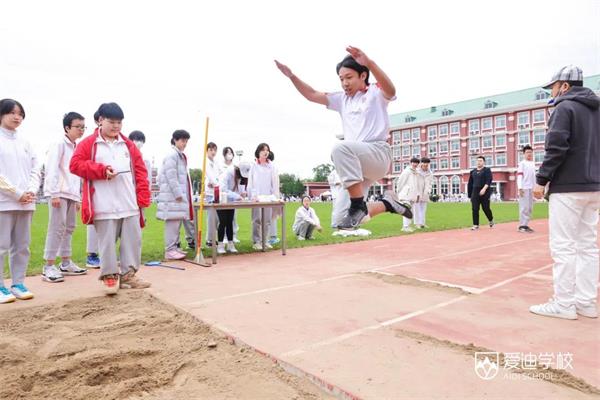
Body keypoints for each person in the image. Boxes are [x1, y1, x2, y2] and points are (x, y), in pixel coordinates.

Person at [275, 46, 412, 230]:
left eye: (349, 77)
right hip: (357, 165)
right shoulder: (342, 99)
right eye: (341, 79)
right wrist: (292, 76)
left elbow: (391, 89)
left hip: (378, 154)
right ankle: (388, 204)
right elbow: (312, 94)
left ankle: (357, 205)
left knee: (340, 148)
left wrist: (370, 63)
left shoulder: (375, 92)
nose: (344, 83)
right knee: (341, 222)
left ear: (363, 75)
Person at [529, 65, 600, 320]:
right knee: (588, 246)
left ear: (565, 86)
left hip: (568, 187)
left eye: (554, 87)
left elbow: (556, 146)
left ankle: (564, 303)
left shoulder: (565, 107)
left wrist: (541, 180)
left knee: (564, 246)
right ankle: (586, 302)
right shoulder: (596, 109)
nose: (553, 92)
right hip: (594, 186)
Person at [70, 102, 151, 295]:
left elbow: (140, 171)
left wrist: (142, 196)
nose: (116, 126)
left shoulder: (128, 144)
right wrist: (101, 170)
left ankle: (128, 275)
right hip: (103, 203)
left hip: (128, 201)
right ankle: (109, 276)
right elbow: (75, 165)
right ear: (100, 120)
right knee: (106, 242)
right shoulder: (89, 144)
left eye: (119, 123)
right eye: (112, 122)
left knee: (132, 240)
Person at [0, 99, 40, 303]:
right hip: (4, 203)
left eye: (20, 114)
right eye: (12, 113)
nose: (17, 117)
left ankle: (18, 283)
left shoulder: (26, 143)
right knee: (1, 245)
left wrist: (31, 191)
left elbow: (35, 169)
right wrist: (16, 193)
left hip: (26, 202)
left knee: (22, 245)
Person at [41, 112, 88, 283]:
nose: (81, 130)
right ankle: (48, 266)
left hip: (71, 194)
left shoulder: (77, 147)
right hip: (58, 193)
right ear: (67, 127)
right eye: (78, 127)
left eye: (83, 127)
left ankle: (65, 262)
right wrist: (53, 193)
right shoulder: (59, 144)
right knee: (56, 228)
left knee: (69, 228)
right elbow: (52, 168)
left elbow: (77, 174)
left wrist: (78, 197)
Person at [156, 130, 194, 260]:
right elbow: (171, 176)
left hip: (176, 196)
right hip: (173, 197)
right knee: (172, 223)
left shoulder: (179, 156)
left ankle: (174, 248)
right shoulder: (172, 155)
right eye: (183, 141)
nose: (185, 144)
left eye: (186, 141)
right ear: (175, 140)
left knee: (176, 221)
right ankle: (170, 249)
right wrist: (178, 193)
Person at [247, 143, 279, 250]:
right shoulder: (254, 166)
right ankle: (256, 241)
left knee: (267, 220)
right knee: (256, 220)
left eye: (267, 150)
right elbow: (250, 183)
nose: (266, 152)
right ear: (258, 152)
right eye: (263, 150)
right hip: (257, 197)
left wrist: (275, 196)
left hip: (268, 197)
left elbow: (275, 183)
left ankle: (265, 240)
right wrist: (252, 195)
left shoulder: (272, 166)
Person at [217, 164, 250, 253]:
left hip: (231, 202)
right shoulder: (227, 174)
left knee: (230, 222)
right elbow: (223, 189)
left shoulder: (240, 176)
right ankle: (220, 245)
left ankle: (230, 243)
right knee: (223, 222)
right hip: (221, 200)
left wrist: (243, 193)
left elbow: (240, 189)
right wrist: (236, 195)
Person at [86, 109, 102, 269]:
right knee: (93, 223)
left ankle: (104, 255)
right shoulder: (90, 142)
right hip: (93, 189)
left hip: (110, 191)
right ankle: (91, 255)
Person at [395, 157, 422, 233]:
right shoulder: (407, 171)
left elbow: (417, 185)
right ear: (411, 163)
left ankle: (407, 226)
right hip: (405, 194)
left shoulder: (416, 172)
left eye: (417, 163)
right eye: (414, 162)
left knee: (411, 211)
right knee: (407, 210)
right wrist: (399, 192)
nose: (415, 164)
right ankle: (405, 226)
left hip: (412, 195)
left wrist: (418, 195)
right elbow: (400, 182)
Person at [467, 156, 494, 230]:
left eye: (481, 161)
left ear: (484, 162)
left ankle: (491, 219)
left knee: (486, 208)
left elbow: (489, 180)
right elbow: (470, 183)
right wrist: (470, 195)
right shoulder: (472, 172)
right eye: (478, 161)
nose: (479, 162)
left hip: (485, 192)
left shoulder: (487, 170)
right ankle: (475, 225)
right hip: (475, 192)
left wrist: (484, 189)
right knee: (475, 208)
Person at [221, 146, 240, 244]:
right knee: (224, 219)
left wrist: (239, 194)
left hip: (233, 197)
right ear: (224, 155)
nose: (230, 154)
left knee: (233, 218)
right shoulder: (222, 167)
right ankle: (224, 237)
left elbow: (238, 184)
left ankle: (233, 236)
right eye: (227, 153)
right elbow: (223, 187)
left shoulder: (236, 167)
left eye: (231, 152)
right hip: (224, 197)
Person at [516, 145, 536, 233]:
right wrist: (520, 188)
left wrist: (535, 188)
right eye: (527, 152)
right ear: (523, 154)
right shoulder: (522, 163)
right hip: (524, 188)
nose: (529, 154)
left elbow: (534, 178)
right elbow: (519, 176)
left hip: (531, 188)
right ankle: (522, 226)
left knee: (530, 207)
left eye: (531, 152)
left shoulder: (532, 164)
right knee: (524, 207)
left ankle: (526, 224)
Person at [204, 142, 219, 247]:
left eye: (215, 150)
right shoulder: (205, 162)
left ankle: (213, 237)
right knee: (211, 217)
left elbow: (220, 175)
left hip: (217, 191)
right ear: (207, 150)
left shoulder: (216, 162)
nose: (213, 152)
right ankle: (209, 239)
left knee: (217, 218)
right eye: (211, 150)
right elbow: (210, 176)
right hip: (209, 193)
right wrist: (214, 183)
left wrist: (217, 184)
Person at [415, 157, 433, 229]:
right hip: (417, 192)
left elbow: (430, 183)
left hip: (425, 193)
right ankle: (417, 224)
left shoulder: (430, 173)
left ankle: (422, 223)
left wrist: (429, 190)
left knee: (423, 209)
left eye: (427, 163)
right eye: (424, 163)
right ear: (421, 163)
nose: (425, 164)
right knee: (417, 209)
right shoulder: (416, 171)